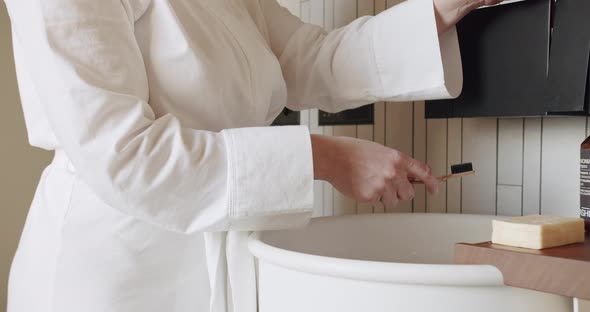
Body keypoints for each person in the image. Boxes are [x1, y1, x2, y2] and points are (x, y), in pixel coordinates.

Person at [4, 0, 501, 311]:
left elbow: (312, 60)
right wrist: (323, 158)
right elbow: (128, 158)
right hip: (112, 274)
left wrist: (443, 7)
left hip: (223, 252)